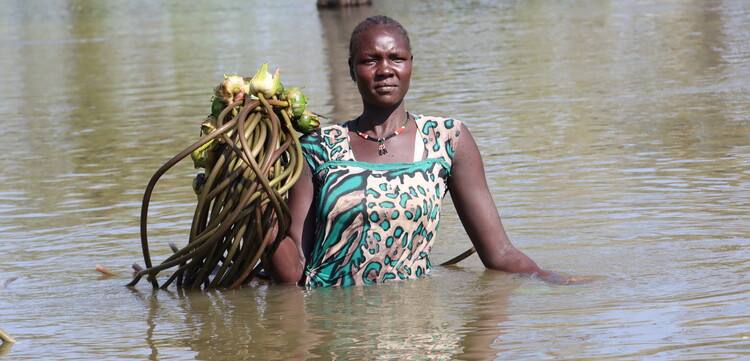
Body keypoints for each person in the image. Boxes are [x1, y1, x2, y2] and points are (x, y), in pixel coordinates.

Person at [268, 15, 578, 287]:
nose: (385, 69)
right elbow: (293, 272)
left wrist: (550, 278)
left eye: (396, 58)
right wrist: (258, 205)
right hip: (334, 332)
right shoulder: (316, 146)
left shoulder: (448, 139)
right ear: (352, 69)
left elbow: (499, 254)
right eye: (370, 60)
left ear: (411, 64)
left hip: (420, 333)